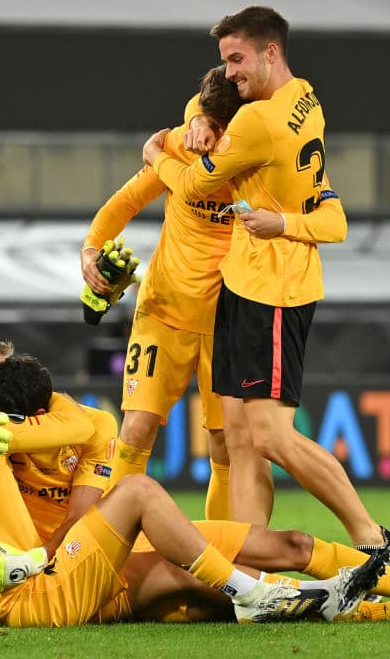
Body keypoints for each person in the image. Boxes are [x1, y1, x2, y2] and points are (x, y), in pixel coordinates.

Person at [0, 331, 390, 626]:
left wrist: (9, 437)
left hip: (88, 548)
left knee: (289, 546)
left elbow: (80, 500)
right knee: (203, 570)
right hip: (73, 574)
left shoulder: (74, 421)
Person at [142, 5, 390, 562]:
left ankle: (374, 538)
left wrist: (157, 155)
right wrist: (201, 116)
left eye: (237, 59)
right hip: (243, 281)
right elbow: (212, 102)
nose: (231, 72)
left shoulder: (258, 123)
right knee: (237, 440)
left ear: (270, 52)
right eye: (226, 62)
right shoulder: (302, 96)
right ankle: (248, 568)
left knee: (270, 437)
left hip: (275, 291)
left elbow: (189, 187)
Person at [81, 65, 243, 520]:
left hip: (228, 321)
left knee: (224, 444)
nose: (214, 136)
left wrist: (195, 118)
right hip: (162, 310)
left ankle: (220, 565)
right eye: (211, 124)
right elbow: (127, 200)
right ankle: (110, 553)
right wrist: (91, 249)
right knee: (135, 430)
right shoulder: (180, 144)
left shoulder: (257, 157)